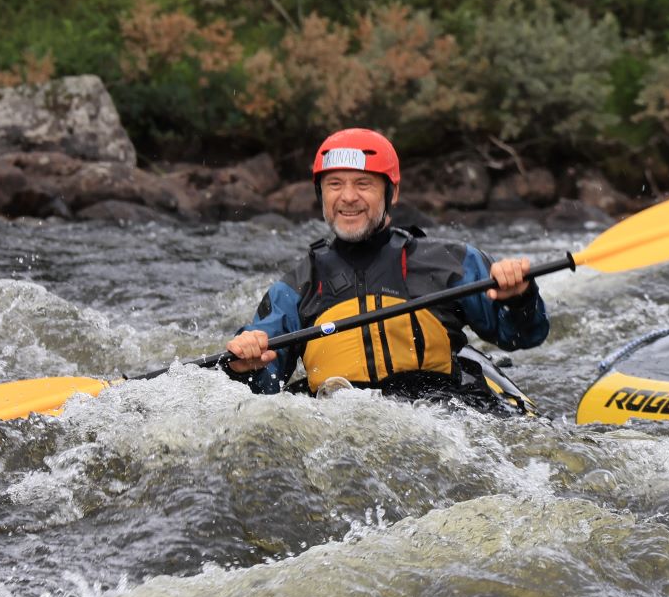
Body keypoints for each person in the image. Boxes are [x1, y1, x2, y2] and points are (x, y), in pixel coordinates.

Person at [224, 128, 549, 404]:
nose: (348, 197)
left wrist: (519, 296)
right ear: (321, 194)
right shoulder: (295, 288)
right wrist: (245, 365)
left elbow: (521, 335)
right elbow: (262, 389)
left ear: (391, 192)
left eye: (363, 184)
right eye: (335, 184)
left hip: (442, 414)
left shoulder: (452, 262)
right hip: (341, 424)